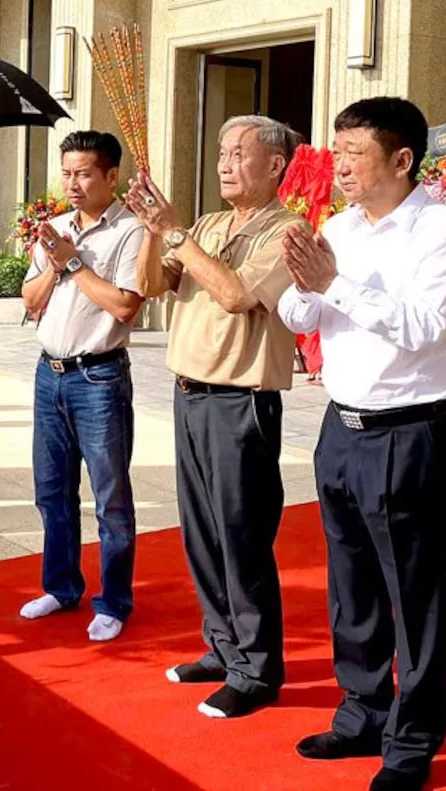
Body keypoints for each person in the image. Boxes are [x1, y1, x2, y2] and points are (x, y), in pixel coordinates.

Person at [277, 97, 446, 791]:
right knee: (351, 583)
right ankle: (362, 709)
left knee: (414, 591)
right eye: (337, 152)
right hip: (343, 424)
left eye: (355, 154)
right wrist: (306, 283)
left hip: (411, 429)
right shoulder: (341, 227)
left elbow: (429, 326)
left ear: (402, 158)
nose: (341, 168)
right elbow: (299, 312)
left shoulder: (445, 231)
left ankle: (412, 740)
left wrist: (333, 281)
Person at [125, 115, 304, 719]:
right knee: (200, 531)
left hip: (241, 402)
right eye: (222, 152)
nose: (225, 162)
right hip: (189, 392)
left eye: (239, 153)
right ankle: (222, 646)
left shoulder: (290, 230)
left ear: (275, 165)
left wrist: (177, 235)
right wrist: (155, 230)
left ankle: (257, 668)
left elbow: (235, 295)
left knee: (242, 535)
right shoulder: (207, 223)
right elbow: (153, 285)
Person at [19, 131, 145, 643]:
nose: (72, 183)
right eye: (66, 172)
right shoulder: (56, 228)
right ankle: (61, 585)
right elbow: (30, 300)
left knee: (110, 497)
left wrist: (73, 262)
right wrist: (52, 266)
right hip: (49, 373)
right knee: (52, 491)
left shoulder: (131, 232)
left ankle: (113, 600)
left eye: (84, 173)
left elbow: (124, 305)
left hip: (99, 376)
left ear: (111, 176)